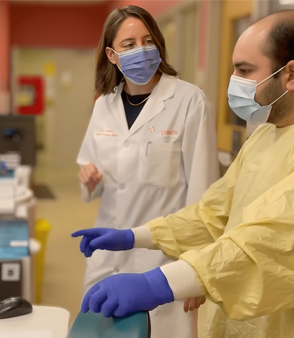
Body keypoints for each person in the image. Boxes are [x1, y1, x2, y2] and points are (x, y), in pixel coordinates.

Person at [73, 10, 294, 338]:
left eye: (244, 70)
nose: (233, 82)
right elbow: (212, 215)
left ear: (291, 74)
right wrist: (134, 237)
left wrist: (162, 281)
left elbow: (272, 245)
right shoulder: (267, 135)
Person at [75, 5, 219, 338]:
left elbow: (205, 195)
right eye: (128, 44)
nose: (140, 49)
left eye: (147, 40)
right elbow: (90, 169)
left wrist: (196, 270)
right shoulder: (104, 106)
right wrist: (89, 179)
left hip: (162, 265)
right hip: (107, 257)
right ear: (112, 55)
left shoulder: (188, 101)